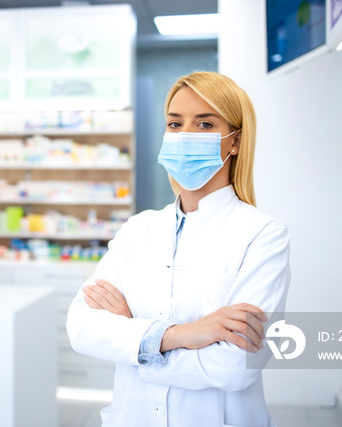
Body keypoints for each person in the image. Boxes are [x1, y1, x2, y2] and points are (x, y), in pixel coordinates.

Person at [66, 71, 291, 426]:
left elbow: (235, 367)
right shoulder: (138, 229)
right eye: (175, 123)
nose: (185, 134)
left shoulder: (262, 234)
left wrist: (136, 341)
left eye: (204, 124)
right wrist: (183, 335)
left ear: (235, 141)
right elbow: (82, 327)